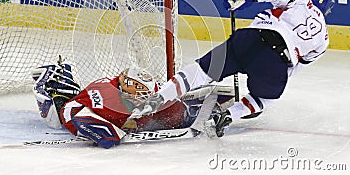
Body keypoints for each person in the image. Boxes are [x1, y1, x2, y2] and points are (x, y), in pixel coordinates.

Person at [130, 0, 335, 138]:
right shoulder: (323, 41)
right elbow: (295, 66)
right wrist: (273, 81)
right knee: (266, 98)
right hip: (276, 62)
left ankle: (160, 97)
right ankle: (228, 116)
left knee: (200, 71)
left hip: (250, 39)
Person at [32, 60, 233, 148]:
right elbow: (106, 137)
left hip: (97, 105)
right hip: (71, 112)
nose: (142, 98)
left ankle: (192, 109)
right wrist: (122, 129)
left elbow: (156, 94)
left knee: (168, 111)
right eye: (139, 96)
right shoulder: (106, 101)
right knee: (56, 117)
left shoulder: (124, 88)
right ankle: (54, 85)